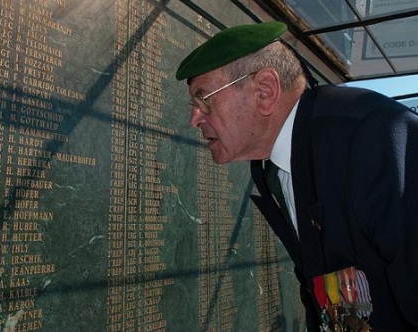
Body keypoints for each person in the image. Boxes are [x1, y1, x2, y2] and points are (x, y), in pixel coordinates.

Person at [176, 21, 418, 331]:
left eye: (203, 98)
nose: (194, 118)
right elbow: (319, 279)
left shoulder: (375, 137)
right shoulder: (268, 168)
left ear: (264, 91)